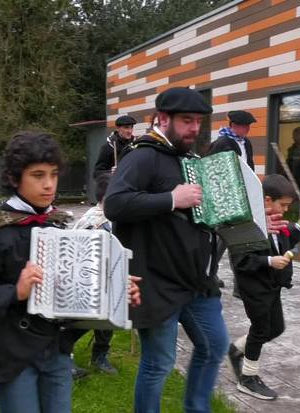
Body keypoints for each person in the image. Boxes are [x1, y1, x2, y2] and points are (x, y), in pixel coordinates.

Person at [0, 131, 141, 413]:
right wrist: (16, 291)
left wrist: (117, 290)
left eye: (53, 174)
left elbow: (77, 284)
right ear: (15, 178)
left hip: (57, 349)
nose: (49, 184)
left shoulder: (57, 224)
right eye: (38, 175)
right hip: (14, 354)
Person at [104, 87, 229, 413]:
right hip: (156, 282)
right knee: (159, 363)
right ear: (162, 119)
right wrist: (172, 199)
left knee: (215, 345)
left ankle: (196, 408)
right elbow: (115, 204)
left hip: (195, 281)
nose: (194, 128)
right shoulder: (141, 156)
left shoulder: (188, 160)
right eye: (186, 121)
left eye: (198, 122)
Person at [226, 174, 300, 400]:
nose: (284, 211)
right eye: (282, 205)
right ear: (266, 200)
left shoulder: (275, 222)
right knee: (261, 329)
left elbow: (286, 239)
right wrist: (270, 261)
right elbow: (242, 261)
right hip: (254, 287)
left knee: (276, 328)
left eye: (287, 206)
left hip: (273, 285)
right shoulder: (247, 226)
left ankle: (236, 350)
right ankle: (248, 379)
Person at [71, 172, 117, 376]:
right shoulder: (96, 222)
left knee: (109, 316)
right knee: (82, 320)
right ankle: (64, 354)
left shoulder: (114, 216)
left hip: (107, 280)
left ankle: (100, 355)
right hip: (84, 281)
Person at [208, 110, 257, 293]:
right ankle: (220, 277)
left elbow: (249, 168)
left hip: (242, 197)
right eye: (245, 126)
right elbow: (212, 171)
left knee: (231, 239)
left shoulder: (246, 143)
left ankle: (223, 277)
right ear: (234, 125)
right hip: (226, 198)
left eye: (249, 126)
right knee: (229, 238)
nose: (248, 129)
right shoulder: (222, 143)